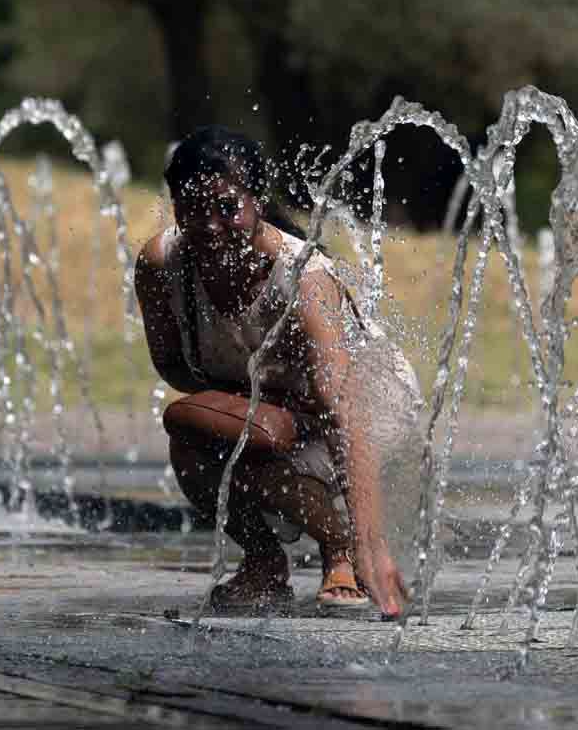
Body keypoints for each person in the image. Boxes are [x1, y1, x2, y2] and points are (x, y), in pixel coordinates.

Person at [135, 125, 421, 618]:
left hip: (368, 403)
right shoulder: (163, 263)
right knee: (190, 431)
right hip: (278, 401)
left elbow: (342, 411)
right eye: (192, 208)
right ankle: (265, 563)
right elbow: (177, 371)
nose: (209, 225)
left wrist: (374, 545)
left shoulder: (303, 278)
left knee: (255, 446)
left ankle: (345, 552)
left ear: (257, 200)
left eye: (227, 207)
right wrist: (260, 401)